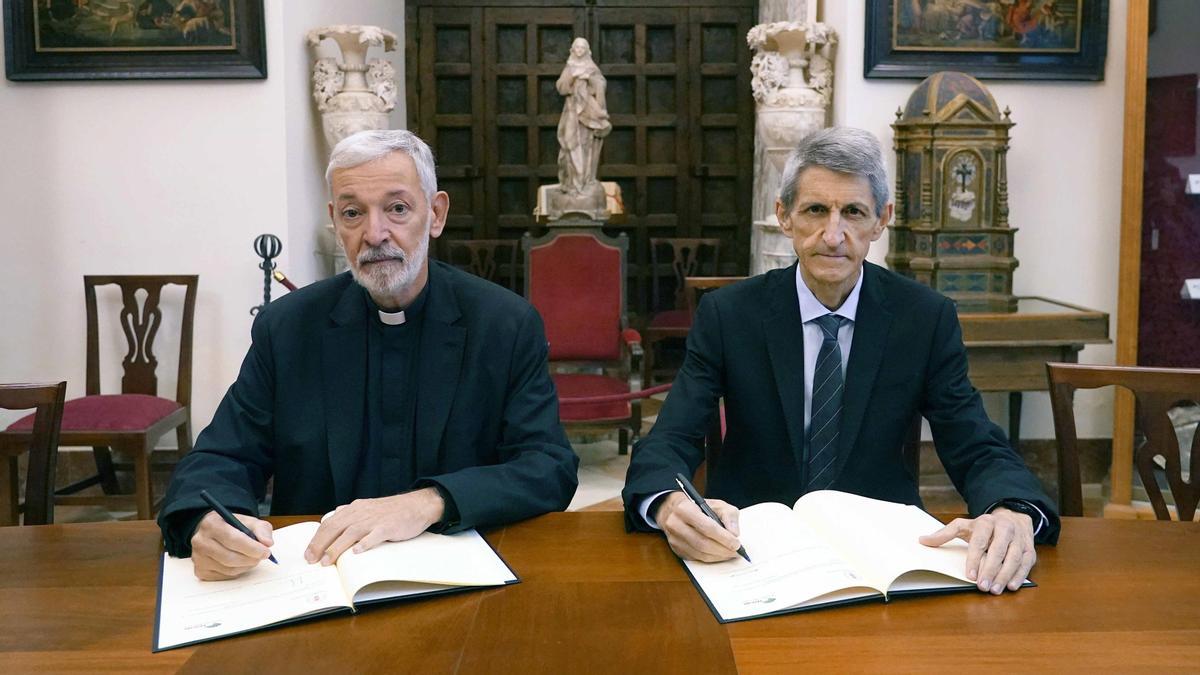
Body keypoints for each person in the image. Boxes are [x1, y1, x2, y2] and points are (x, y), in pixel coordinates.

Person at [623, 127, 1058, 596]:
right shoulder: (729, 315)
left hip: (881, 556)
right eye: (815, 210)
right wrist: (667, 503)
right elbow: (672, 436)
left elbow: (974, 442)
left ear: (881, 221)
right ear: (784, 217)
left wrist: (1013, 509)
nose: (833, 235)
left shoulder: (924, 318)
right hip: (750, 550)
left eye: (853, 212)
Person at [158, 129, 578, 580]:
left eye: (397, 209)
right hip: (316, 583)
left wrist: (430, 501)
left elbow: (547, 467)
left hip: (459, 581)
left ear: (435, 215)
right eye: (353, 213)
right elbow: (221, 457)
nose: (374, 234)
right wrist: (207, 522)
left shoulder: (503, 324)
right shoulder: (289, 328)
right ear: (335, 221)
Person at [555, 37, 611, 195]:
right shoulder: (570, 67)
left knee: (586, 146)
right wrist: (573, 76)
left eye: (582, 48)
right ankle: (571, 183)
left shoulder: (591, 67)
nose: (579, 51)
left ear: (586, 51)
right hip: (572, 111)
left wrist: (590, 78)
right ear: (573, 50)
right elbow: (561, 87)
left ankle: (585, 181)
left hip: (587, 113)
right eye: (577, 48)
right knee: (569, 143)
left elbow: (601, 84)